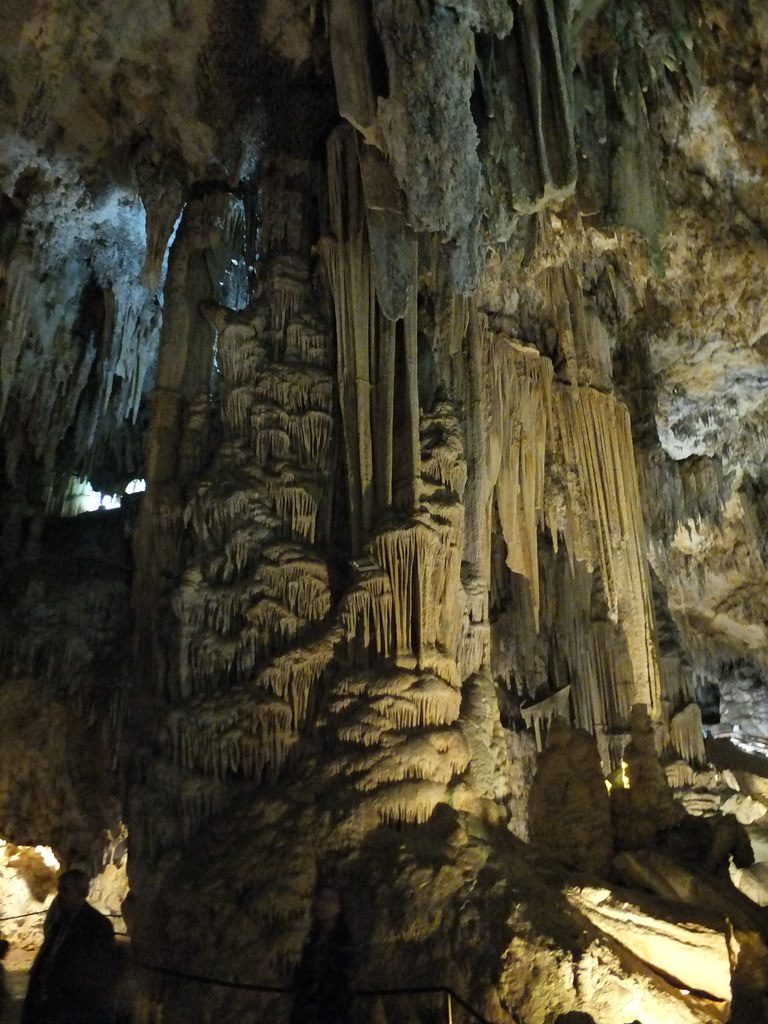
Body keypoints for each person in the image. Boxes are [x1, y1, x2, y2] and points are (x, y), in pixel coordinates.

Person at [21, 869, 116, 1024]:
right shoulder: (61, 921)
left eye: (65, 890)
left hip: (72, 1007)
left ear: (81, 892)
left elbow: (99, 972)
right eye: (59, 890)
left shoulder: (97, 925)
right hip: (51, 1004)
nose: (60, 896)